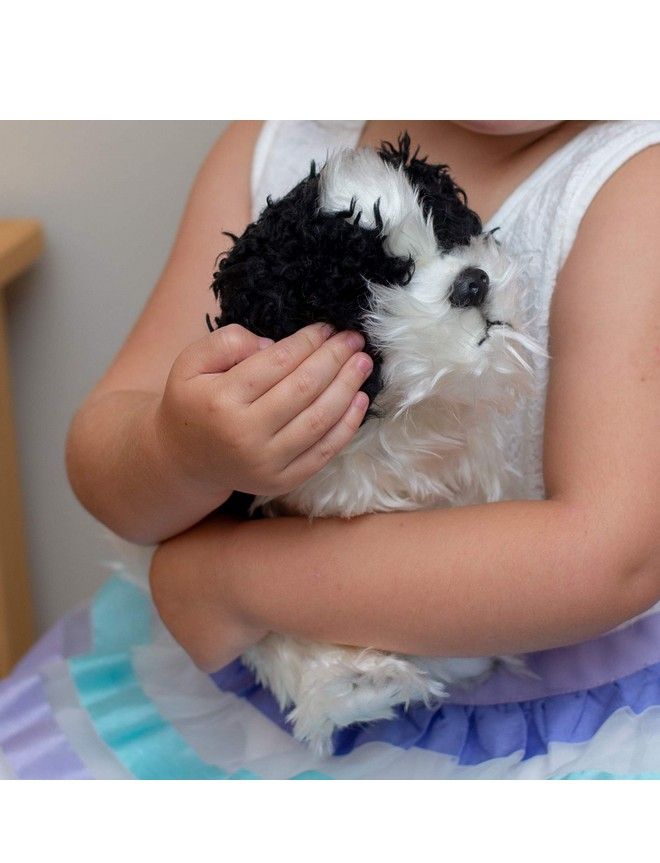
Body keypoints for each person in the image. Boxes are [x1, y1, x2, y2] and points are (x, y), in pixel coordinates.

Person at [1, 120, 658, 779]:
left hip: (548, 730)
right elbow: (105, 447)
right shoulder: (279, 139)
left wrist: (232, 581)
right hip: (251, 693)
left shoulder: (635, 184)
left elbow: (612, 557)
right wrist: (182, 455)